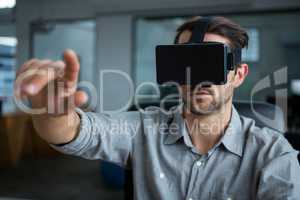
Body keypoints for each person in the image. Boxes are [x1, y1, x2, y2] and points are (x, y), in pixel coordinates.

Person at [14, 16, 300, 200]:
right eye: (187, 64)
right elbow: (76, 132)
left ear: (238, 75)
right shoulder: (143, 129)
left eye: (210, 65)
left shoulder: (273, 154)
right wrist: (52, 112)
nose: (198, 79)